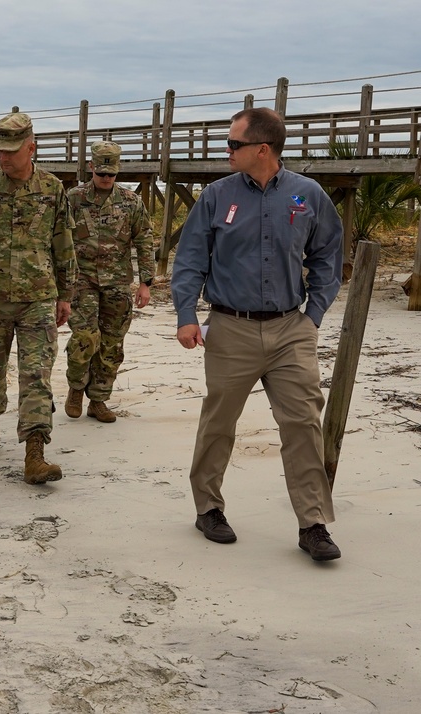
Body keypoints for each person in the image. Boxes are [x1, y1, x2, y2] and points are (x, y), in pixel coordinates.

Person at [170, 107, 344, 561]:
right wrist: (186, 314)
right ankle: (208, 507)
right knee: (219, 424)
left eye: (233, 144)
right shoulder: (215, 196)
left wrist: (314, 316)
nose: (226, 151)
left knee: (304, 424)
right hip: (229, 328)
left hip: (291, 330)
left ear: (261, 149)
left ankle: (313, 524)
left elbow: (328, 257)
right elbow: (190, 259)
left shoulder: (308, 196)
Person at [0, 112, 77, 484]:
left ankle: (34, 454)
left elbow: (63, 244)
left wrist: (66, 294)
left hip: (38, 298)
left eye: (11, 151)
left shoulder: (52, 189)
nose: (3, 158)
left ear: (31, 147)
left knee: (36, 376)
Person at [64, 141, 155, 423]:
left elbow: (144, 240)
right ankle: (76, 388)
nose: (106, 178)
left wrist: (146, 282)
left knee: (113, 344)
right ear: (91, 167)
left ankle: (99, 399)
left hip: (117, 283)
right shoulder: (73, 199)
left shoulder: (131, 202)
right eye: (101, 173)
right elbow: (57, 240)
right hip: (82, 282)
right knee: (84, 338)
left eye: (111, 174)